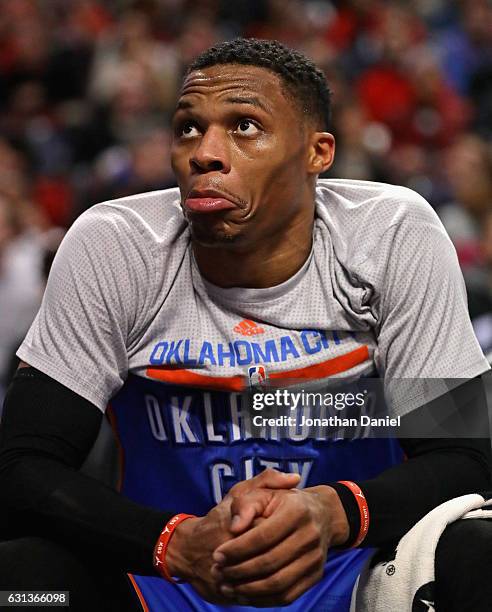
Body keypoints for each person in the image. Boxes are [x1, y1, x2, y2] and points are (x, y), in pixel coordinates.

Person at [0, 38, 491, 612]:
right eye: (188, 128)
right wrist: (175, 544)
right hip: (161, 577)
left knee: (481, 554)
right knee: (21, 588)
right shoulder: (116, 246)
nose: (204, 153)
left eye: (245, 126)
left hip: (357, 572)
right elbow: (22, 468)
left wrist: (327, 513)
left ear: (318, 153)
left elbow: (463, 459)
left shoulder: (391, 235)